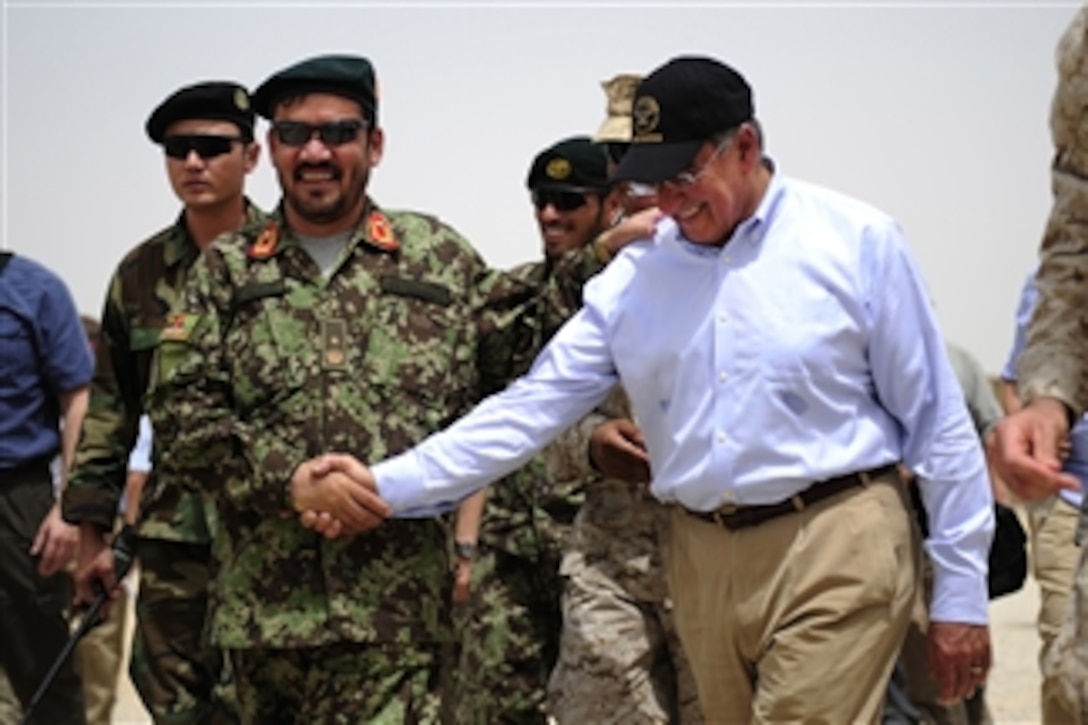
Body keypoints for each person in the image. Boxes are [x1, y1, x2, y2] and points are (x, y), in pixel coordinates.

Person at [298, 55, 996, 723]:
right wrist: (382, 485)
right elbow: (527, 408)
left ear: (745, 147)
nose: (667, 200)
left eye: (684, 174)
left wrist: (961, 592)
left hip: (836, 541)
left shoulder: (857, 242)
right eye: (652, 182)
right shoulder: (637, 278)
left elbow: (937, 423)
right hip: (697, 556)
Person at [147, 54, 604, 722]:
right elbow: (181, 420)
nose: (316, 151)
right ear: (271, 148)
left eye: (338, 132)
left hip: (400, 627)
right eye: (296, 133)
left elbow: (524, 330)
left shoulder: (436, 257)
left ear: (375, 144)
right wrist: (291, 481)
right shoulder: (223, 273)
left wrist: (606, 257)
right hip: (265, 630)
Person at [61, 80, 262, 723]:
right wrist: (93, 532)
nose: (194, 162)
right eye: (179, 149)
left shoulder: (288, 260)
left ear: (251, 156)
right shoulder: (140, 274)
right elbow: (111, 410)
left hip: (274, 536)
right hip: (174, 539)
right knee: (175, 704)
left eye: (212, 146)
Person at [544, 75, 703, 725]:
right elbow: (535, 418)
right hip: (612, 569)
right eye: (621, 165)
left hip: (719, 565)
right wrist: (590, 444)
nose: (636, 185)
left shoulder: (749, 264)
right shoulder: (585, 282)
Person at [448, 134, 615, 723]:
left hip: (599, 551)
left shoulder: (634, 297)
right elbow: (479, 410)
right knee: (487, 708)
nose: (550, 214)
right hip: (510, 548)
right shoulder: (514, 294)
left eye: (568, 200)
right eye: (542, 199)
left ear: (609, 204)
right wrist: (466, 547)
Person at [0, 250, 93, 723]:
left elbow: (78, 398)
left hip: (18, 502)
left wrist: (68, 507)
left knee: (41, 666)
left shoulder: (36, 291)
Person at [1000, 267, 1086, 724]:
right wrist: (1041, 421)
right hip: (1071, 498)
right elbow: (1015, 382)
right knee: (1066, 653)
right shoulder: (1054, 280)